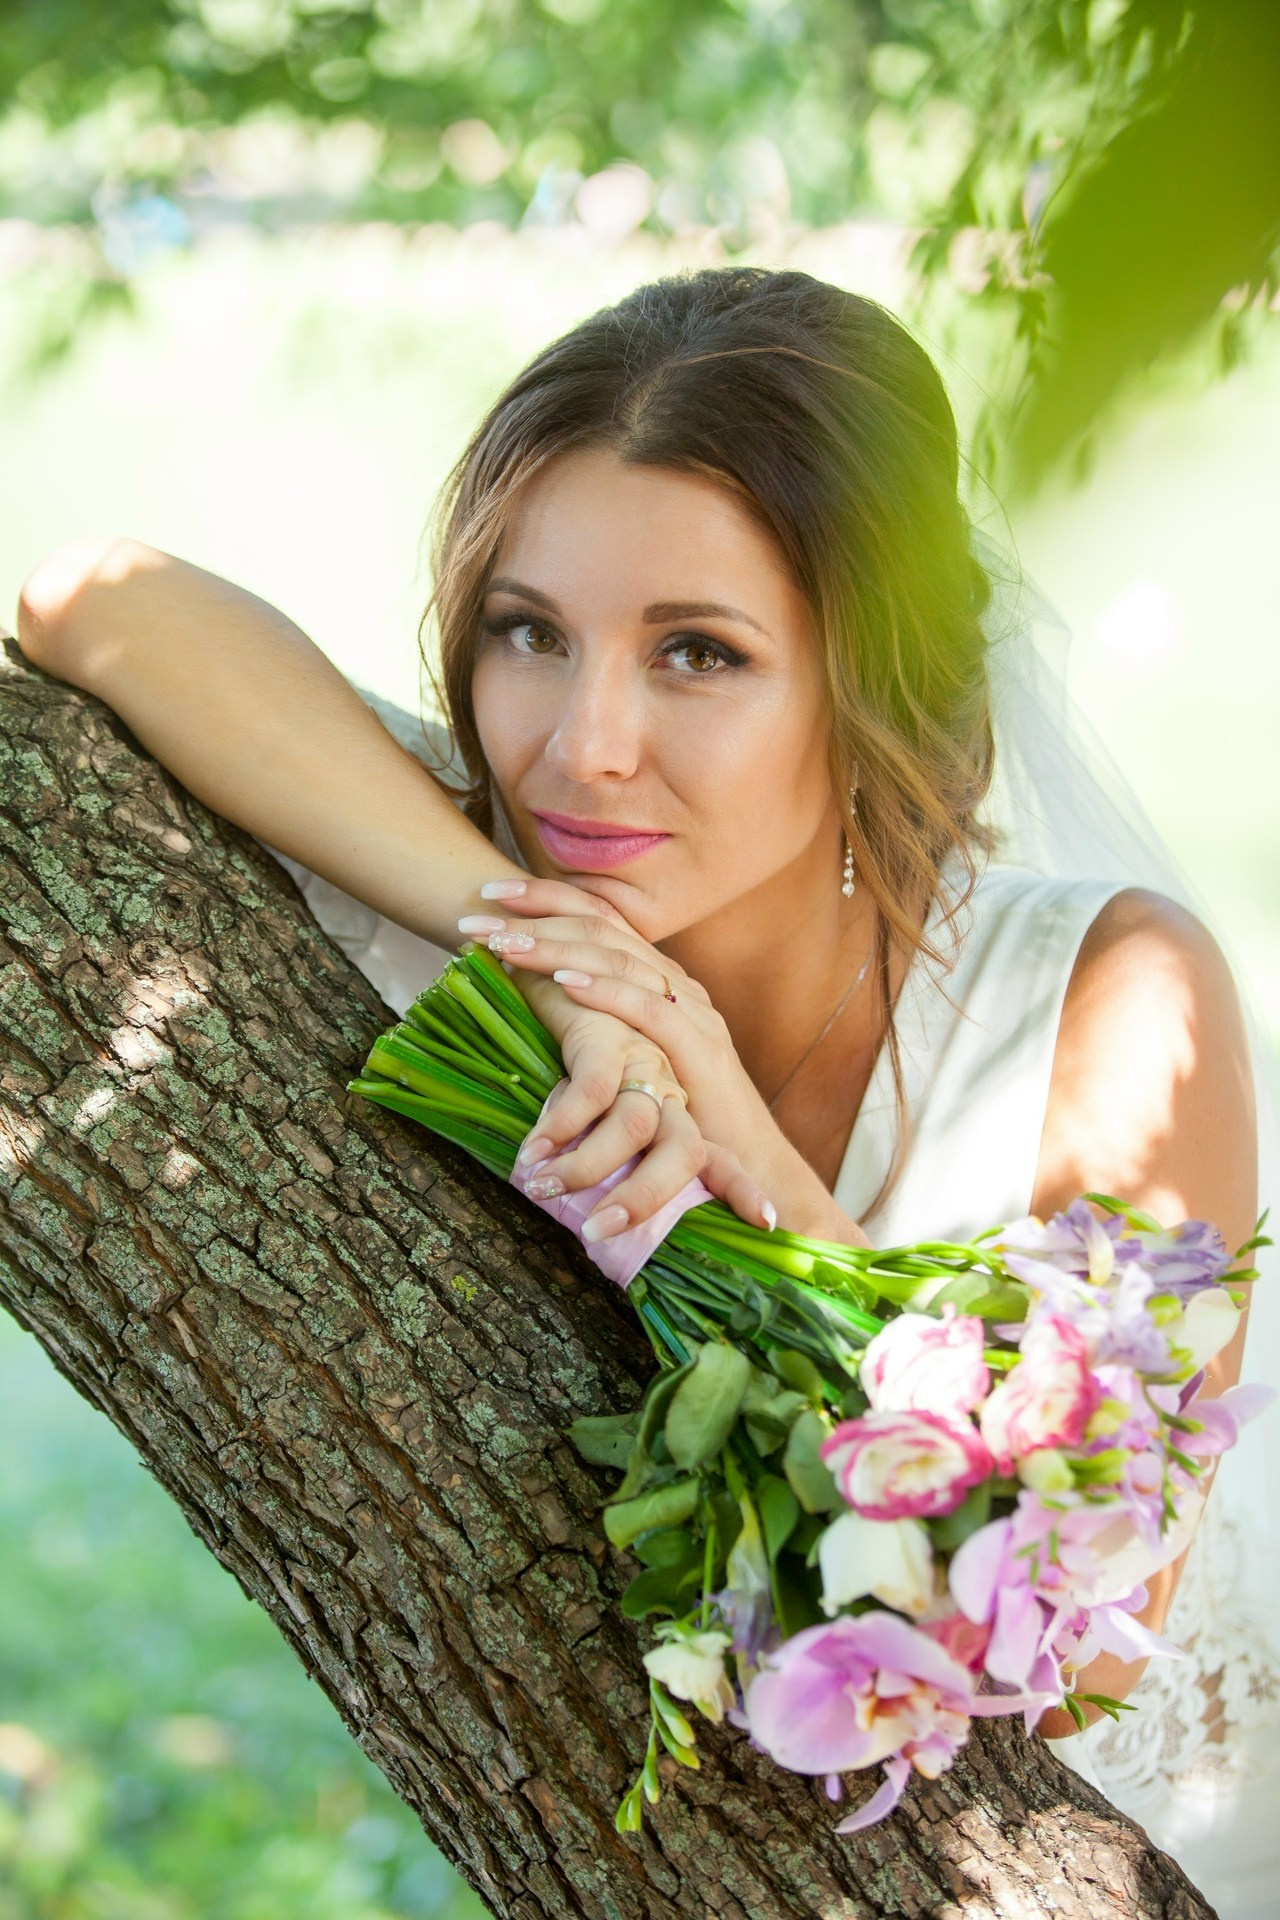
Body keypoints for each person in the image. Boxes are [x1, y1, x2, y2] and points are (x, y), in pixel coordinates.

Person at [16, 266, 1277, 1914]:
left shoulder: (1113, 1001)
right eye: (527, 634)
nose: (579, 748)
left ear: (870, 679)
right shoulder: (466, 874)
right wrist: (552, 962)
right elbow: (89, 594)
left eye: (698, 653)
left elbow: (1058, 1658)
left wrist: (744, 1151)